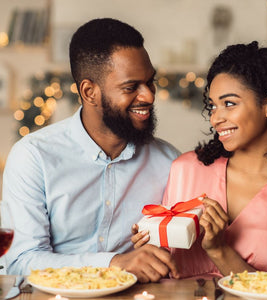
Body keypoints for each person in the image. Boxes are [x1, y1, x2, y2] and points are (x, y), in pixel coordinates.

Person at [132, 41, 267, 278]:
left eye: (229, 103)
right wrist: (149, 246)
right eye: (213, 106)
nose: (216, 118)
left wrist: (220, 250)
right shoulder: (186, 169)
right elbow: (164, 267)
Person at [1, 18, 181, 282]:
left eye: (150, 82)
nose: (149, 96)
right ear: (89, 92)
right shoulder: (33, 156)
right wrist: (114, 264)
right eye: (131, 87)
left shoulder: (169, 161)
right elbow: (22, 260)